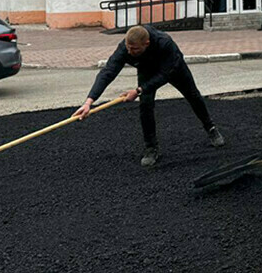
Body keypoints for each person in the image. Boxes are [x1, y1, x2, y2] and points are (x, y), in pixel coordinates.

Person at [74, 25, 226, 167]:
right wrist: (89, 102)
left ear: (146, 44)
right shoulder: (125, 47)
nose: (129, 52)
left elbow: (165, 75)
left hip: (173, 68)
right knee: (145, 105)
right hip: (146, 69)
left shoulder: (165, 43)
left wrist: (139, 90)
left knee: (193, 96)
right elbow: (108, 72)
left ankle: (210, 128)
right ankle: (151, 147)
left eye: (134, 49)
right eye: (128, 48)